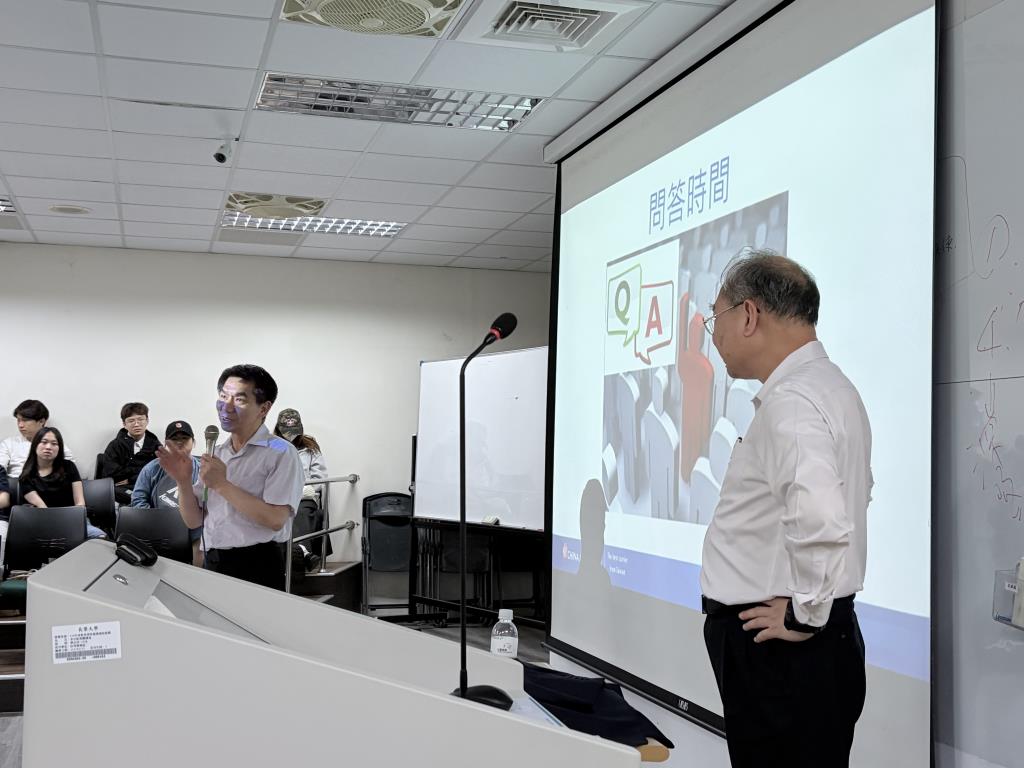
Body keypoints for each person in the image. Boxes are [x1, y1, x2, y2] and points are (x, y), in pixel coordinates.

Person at [699, 251, 871, 768]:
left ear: (749, 315)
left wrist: (804, 612)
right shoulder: (832, 388)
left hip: (781, 654)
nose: (714, 334)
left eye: (717, 317)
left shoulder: (793, 401)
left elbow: (820, 517)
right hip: (810, 647)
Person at [157, 364, 303, 590]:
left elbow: (275, 519)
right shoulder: (218, 452)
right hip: (215, 559)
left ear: (264, 408)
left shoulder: (281, 452)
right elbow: (194, 520)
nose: (226, 407)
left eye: (240, 400)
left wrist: (223, 485)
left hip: (257, 561)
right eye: (223, 396)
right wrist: (183, 481)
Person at [132, 420, 203, 565]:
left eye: (184, 438)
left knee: (202, 536)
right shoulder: (151, 469)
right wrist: (158, 519)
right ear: (166, 443)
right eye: (174, 439)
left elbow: (209, 503)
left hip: (193, 526)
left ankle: (197, 578)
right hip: (159, 524)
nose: (180, 442)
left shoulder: (203, 469)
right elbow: (138, 499)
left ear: (193, 442)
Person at [19, 427, 106, 539]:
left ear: (59, 448)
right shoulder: (26, 476)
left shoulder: (69, 466)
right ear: (35, 445)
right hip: (44, 522)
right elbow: (43, 509)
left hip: (73, 519)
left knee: (100, 537)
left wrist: (74, 521)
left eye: (54, 443)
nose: (48, 447)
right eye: (44, 442)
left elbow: (80, 502)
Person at [273, 408, 329, 571]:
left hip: (304, 498)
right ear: (278, 430)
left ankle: (299, 557)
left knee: (299, 512)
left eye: (294, 431)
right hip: (279, 497)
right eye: (286, 432)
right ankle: (304, 555)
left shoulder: (310, 448)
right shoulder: (270, 447)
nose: (290, 435)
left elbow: (320, 478)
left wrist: (301, 490)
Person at [100, 402, 161, 505]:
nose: (136, 424)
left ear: (147, 421)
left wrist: (129, 478)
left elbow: (157, 474)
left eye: (140, 419)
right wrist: (139, 472)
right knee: (111, 493)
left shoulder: (156, 446)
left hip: (147, 488)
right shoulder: (115, 446)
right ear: (124, 424)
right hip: (121, 490)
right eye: (131, 421)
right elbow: (110, 475)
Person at [0, 399, 74, 479]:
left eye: (25, 420)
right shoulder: (9, 444)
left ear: (41, 421)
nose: (20, 425)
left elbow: (71, 474)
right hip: (15, 485)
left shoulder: (57, 447)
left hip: (47, 486)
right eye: (18, 420)